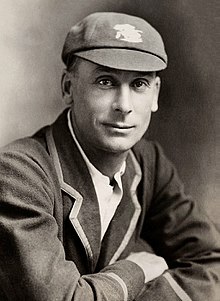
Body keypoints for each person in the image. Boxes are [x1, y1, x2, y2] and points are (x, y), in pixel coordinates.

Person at [0, 12, 219, 301]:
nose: (124, 105)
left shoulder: (148, 163)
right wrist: (135, 270)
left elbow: (211, 260)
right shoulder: (19, 174)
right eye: (105, 82)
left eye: (139, 84)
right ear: (68, 88)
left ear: (155, 95)